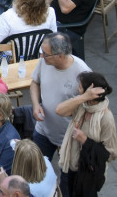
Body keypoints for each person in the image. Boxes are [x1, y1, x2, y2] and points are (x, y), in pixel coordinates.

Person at [30, 33, 91, 161]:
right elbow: (35, 82)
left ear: (60, 56)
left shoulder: (82, 73)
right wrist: (36, 104)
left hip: (69, 136)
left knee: (67, 177)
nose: (41, 55)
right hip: (43, 131)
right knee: (36, 172)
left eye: (45, 53)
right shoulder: (44, 61)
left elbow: (91, 106)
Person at [56, 72, 117, 197]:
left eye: (80, 87)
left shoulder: (106, 118)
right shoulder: (82, 105)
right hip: (71, 166)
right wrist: (83, 98)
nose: (77, 89)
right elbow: (59, 110)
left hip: (88, 175)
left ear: (89, 90)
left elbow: (110, 153)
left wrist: (85, 141)